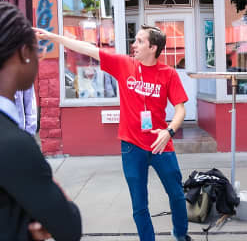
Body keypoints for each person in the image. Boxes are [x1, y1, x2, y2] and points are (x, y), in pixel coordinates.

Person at [34, 24, 193, 241]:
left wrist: (168, 131)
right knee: (139, 204)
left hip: (160, 143)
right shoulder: (123, 64)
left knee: (176, 195)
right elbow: (86, 48)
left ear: (153, 47)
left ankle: (181, 234)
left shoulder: (169, 74)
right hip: (131, 146)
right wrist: (53, 36)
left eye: (139, 41)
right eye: (134, 40)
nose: (133, 44)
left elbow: (180, 110)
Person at [0, 1, 82, 241]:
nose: (38, 58)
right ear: (24, 53)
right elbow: (68, 226)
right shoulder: (15, 144)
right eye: (38, 50)